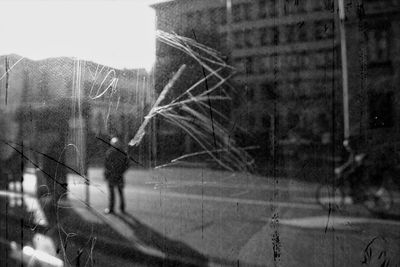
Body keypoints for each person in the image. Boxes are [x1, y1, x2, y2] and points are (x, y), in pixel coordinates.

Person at [104, 137, 129, 214]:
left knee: (113, 193)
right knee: (120, 192)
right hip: (118, 176)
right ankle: (122, 208)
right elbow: (127, 165)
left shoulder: (109, 153)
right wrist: (121, 171)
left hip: (113, 176)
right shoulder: (123, 153)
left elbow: (106, 165)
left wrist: (107, 174)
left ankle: (112, 208)